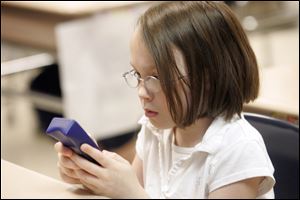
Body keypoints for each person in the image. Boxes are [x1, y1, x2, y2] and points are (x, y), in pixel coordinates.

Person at [54, 1, 275, 198]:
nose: (142, 91)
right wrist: (91, 178)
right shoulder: (156, 129)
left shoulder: (238, 151)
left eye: (157, 77)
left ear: (209, 77)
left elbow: (134, 193)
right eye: (138, 75)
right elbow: (131, 189)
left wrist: (131, 194)